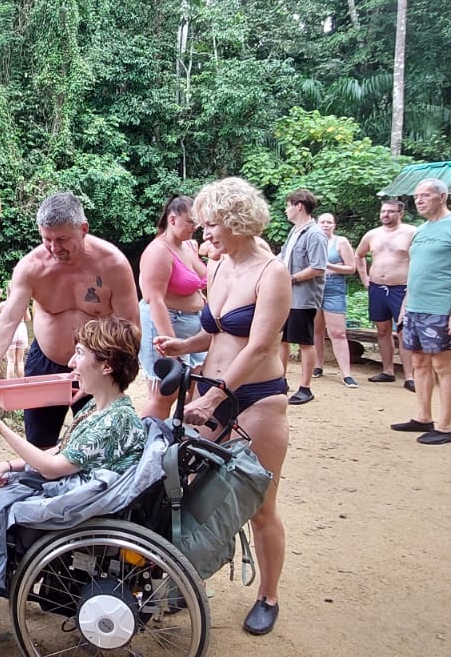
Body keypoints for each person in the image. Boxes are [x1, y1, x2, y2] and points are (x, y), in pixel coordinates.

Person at [154, 177, 291, 636]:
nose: (204, 232)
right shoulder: (217, 266)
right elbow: (216, 333)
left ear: (236, 221)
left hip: (256, 397)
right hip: (210, 392)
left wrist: (214, 396)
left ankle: (268, 596)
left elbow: (259, 345)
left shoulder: (272, 272)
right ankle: (186, 576)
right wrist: (183, 344)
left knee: (260, 504)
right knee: (190, 490)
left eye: (211, 223)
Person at [0, 316, 147, 618]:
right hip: (76, 486)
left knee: (1, 503)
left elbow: (52, 467)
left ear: (107, 366)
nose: (71, 362)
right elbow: (64, 450)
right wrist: (10, 465)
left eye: (80, 353)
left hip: (82, 502)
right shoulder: (101, 407)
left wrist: (2, 429)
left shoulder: (113, 421)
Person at [0, 193, 141, 448]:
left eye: (62, 239)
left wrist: (109, 372)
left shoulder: (112, 264)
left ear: (83, 229)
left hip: (97, 364)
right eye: (46, 239)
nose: (54, 248)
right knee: (39, 443)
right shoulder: (31, 267)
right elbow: (7, 321)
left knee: (99, 443)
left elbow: (129, 327)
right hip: (46, 362)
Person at [390, 179, 451, 445]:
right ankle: (423, 417)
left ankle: (445, 426)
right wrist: (405, 307)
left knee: (443, 364)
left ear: (442, 197)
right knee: (418, 362)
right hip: (415, 307)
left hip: (442, 306)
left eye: (425, 195)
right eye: (417, 196)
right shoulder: (421, 230)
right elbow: (415, 272)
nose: (419, 200)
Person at [137, 195, 208, 396]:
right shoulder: (158, 251)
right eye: (190, 222)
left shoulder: (189, 246)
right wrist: (169, 343)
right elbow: (155, 300)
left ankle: (183, 419)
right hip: (167, 322)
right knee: (164, 394)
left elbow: (200, 280)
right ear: (172, 219)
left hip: (194, 325)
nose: (195, 227)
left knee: (196, 387)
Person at [353, 199, 417, 390]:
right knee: (382, 330)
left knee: (404, 331)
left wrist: (414, 284)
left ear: (400, 213)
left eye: (390, 211)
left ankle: (410, 376)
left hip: (401, 288)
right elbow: (359, 255)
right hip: (377, 288)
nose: (386, 215)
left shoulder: (412, 233)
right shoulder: (373, 234)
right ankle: (388, 371)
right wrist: (365, 278)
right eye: (383, 211)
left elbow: (421, 259)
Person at [279, 189, 327, 406]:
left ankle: (305, 388)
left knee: (305, 342)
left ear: (299, 206)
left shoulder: (315, 234)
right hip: (288, 297)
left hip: (303, 298)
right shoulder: (294, 231)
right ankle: (280, 381)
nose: (286, 210)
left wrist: (290, 279)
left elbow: (318, 267)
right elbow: (283, 257)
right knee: (283, 339)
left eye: (288, 205)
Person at [312, 213, 359, 387]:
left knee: (338, 332)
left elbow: (351, 268)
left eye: (329, 222)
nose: (325, 225)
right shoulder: (312, 241)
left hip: (334, 288)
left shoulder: (341, 242)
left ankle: (346, 374)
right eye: (322, 222)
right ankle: (317, 366)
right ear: (317, 224)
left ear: (334, 225)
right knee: (316, 330)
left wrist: (328, 265)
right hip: (314, 287)